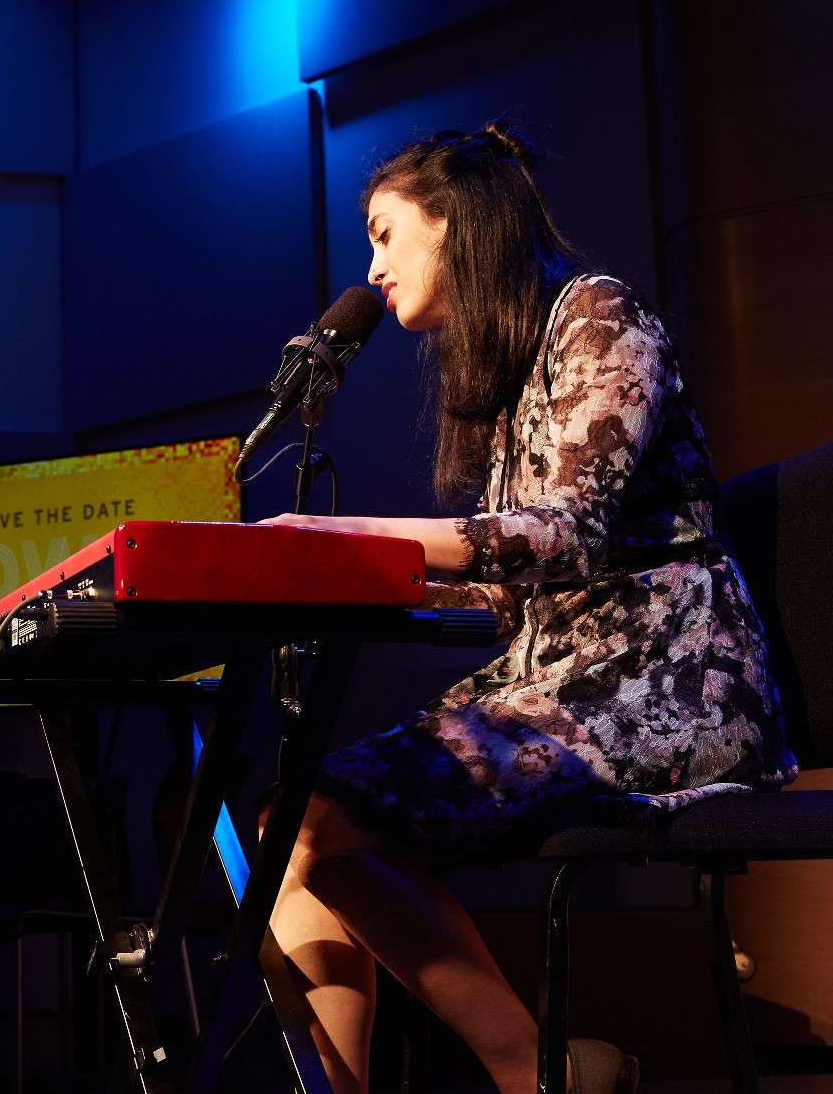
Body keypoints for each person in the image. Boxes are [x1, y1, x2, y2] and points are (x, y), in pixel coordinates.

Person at [255, 122, 795, 1094]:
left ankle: (529, 1071)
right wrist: (331, 577)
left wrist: (351, 539)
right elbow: (513, 587)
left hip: (665, 682)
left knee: (316, 821)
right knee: (289, 825)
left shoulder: (597, 314)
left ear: (453, 223)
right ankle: (532, 1069)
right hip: (564, 678)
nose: (370, 266)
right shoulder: (507, 376)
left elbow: (572, 532)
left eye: (383, 233)